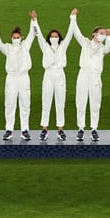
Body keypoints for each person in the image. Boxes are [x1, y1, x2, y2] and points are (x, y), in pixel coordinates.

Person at [0, 12, 36, 140]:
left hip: (23, 78)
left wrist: (33, 20)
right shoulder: (8, 48)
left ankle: (24, 130)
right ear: (11, 37)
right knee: (10, 104)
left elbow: (32, 34)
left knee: (25, 103)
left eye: (18, 37)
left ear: (21, 37)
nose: (16, 38)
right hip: (11, 78)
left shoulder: (25, 45)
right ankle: (9, 130)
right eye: (14, 37)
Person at [34, 9, 76, 140]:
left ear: (59, 38)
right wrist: (34, 20)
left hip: (59, 75)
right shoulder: (45, 46)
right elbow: (39, 35)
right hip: (48, 74)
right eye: (52, 36)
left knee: (60, 101)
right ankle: (44, 129)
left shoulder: (63, 45)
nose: (54, 38)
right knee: (46, 101)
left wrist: (73, 18)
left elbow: (70, 33)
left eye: (56, 36)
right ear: (49, 38)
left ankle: (60, 129)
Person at [72, 12, 110, 141]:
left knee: (95, 103)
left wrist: (109, 37)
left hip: (95, 77)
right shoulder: (85, 42)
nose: (102, 35)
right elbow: (76, 32)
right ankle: (81, 129)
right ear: (94, 34)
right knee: (81, 101)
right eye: (101, 33)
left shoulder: (103, 48)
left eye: (103, 33)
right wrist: (73, 17)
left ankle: (94, 129)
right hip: (83, 75)